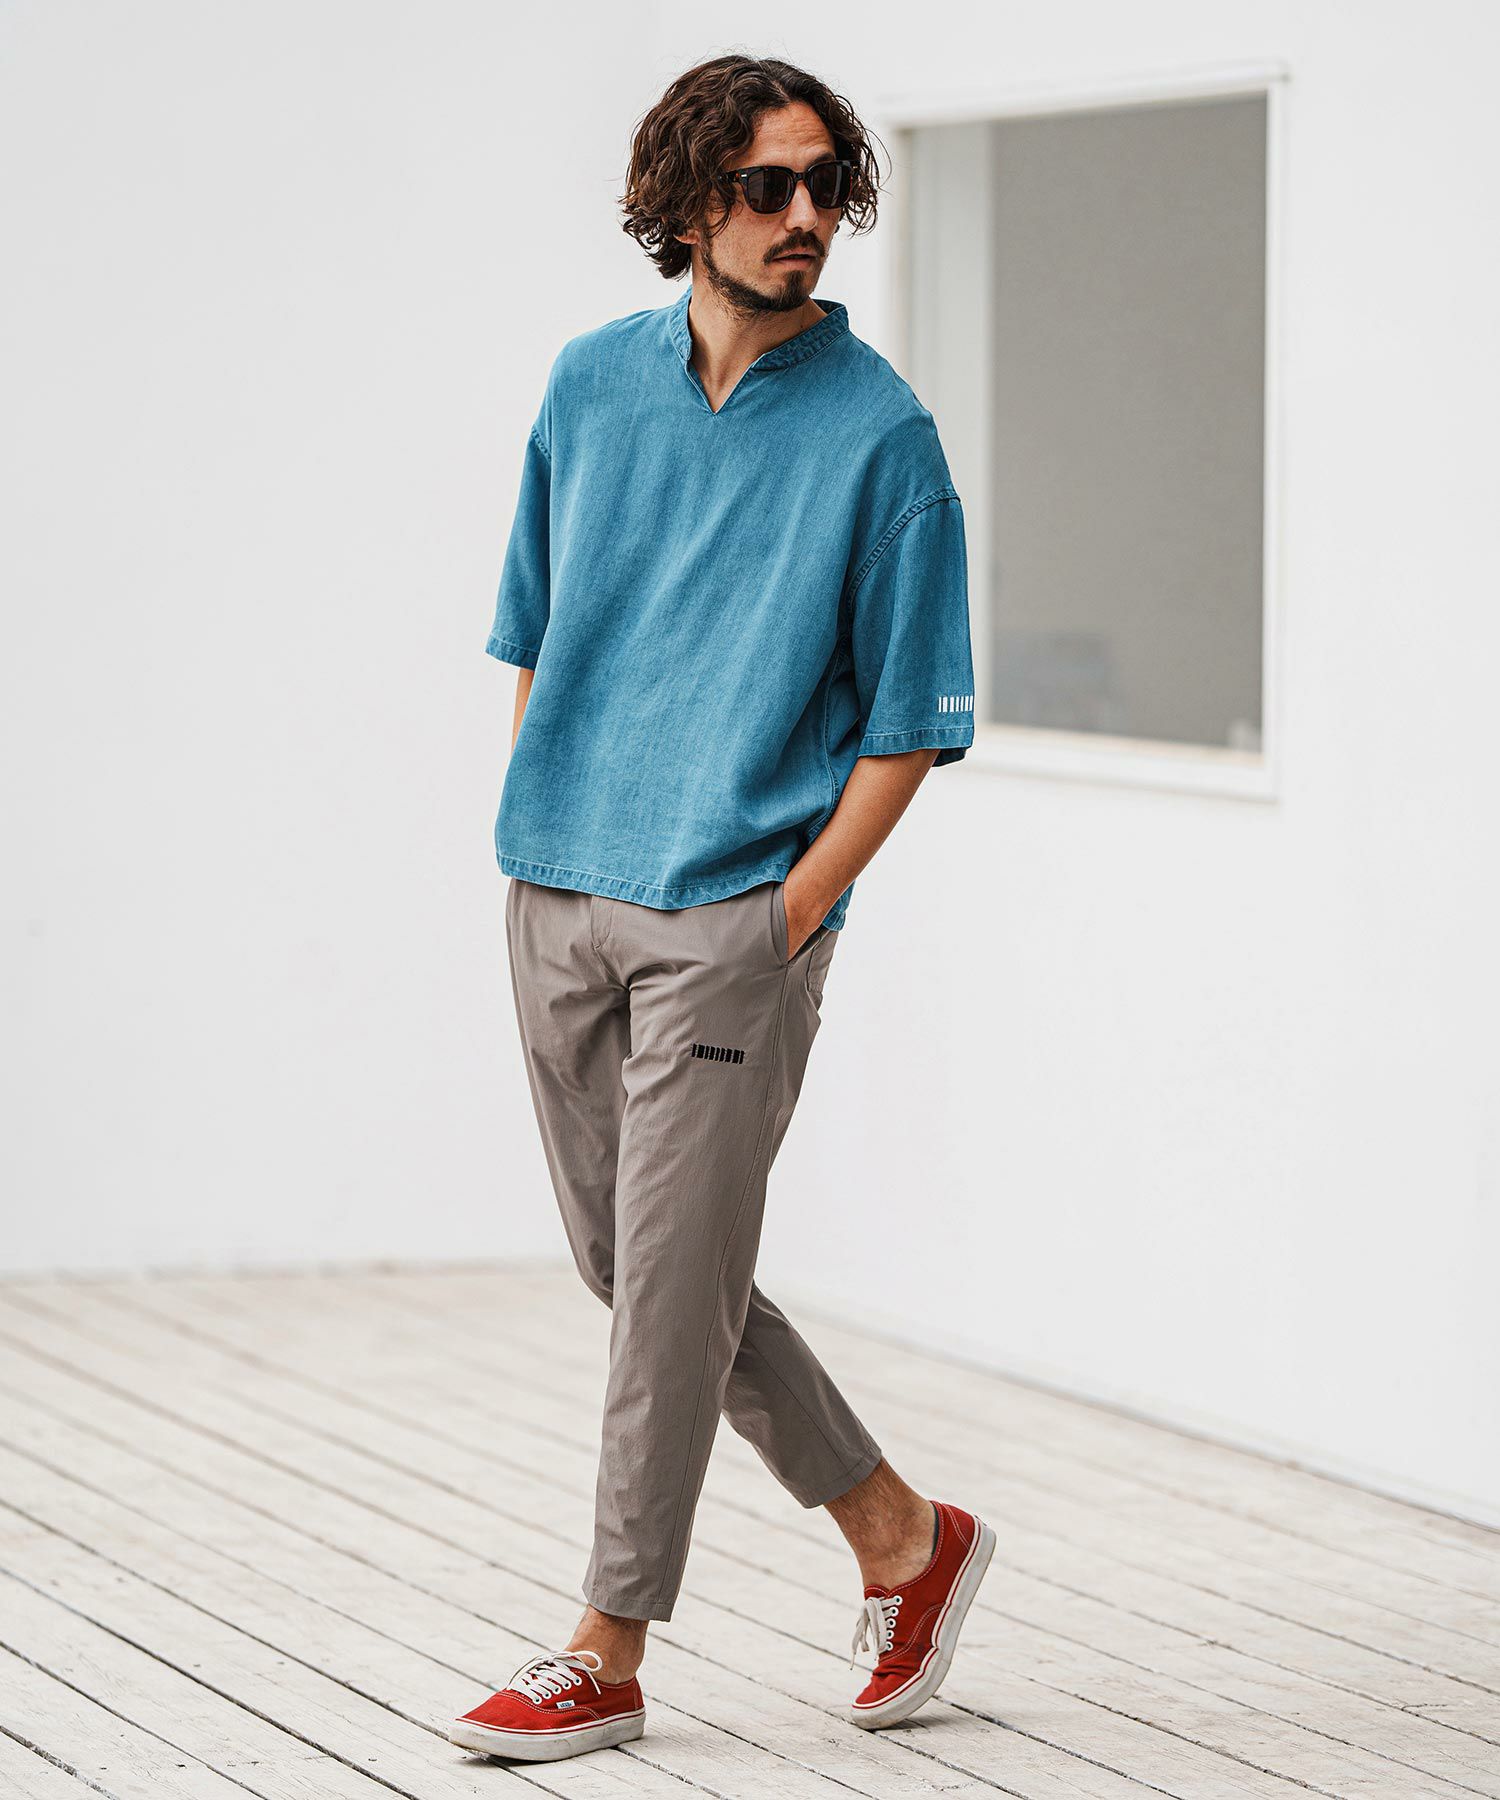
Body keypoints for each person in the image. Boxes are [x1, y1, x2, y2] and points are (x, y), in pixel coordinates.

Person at [449, 52, 992, 1765]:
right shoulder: (587, 385)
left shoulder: (884, 438)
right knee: (639, 1271)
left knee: (669, 1283)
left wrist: (793, 913)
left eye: (827, 185)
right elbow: (538, 630)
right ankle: (903, 1536)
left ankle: (605, 1648)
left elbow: (910, 726)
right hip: (561, 889)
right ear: (690, 202)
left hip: (734, 917)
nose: (806, 215)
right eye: (769, 186)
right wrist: (547, 828)